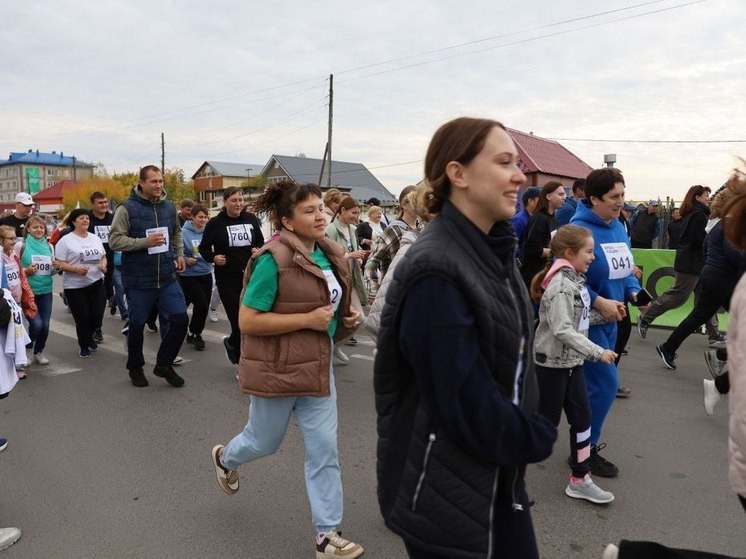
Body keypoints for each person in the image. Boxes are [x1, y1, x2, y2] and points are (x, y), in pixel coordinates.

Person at [375, 117, 557, 558]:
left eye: (517, 162)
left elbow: (508, 358)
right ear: (457, 174)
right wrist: (537, 435)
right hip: (442, 489)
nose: (519, 175)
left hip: (492, 471)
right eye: (503, 162)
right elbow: (461, 403)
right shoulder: (436, 268)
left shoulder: (494, 251)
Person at [210, 180, 364, 559]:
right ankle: (225, 458)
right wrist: (308, 320)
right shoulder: (272, 259)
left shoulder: (331, 253)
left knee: (325, 451)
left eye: (321, 209)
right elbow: (248, 321)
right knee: (264, 441)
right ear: (287, 222)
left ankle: (327, 536)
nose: (320, 215)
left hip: (318, 367)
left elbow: (332, 304)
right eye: (309, 211)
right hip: (277, 370)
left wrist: (347, 318)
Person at [531, 225, 617, 504]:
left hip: (572, 365)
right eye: (589, 251)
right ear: (569, 253)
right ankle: (498, 469)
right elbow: (562, 329)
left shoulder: (576, 282)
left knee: (583, 420)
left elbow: (577, 321)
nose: (593, 257)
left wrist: (606, 315)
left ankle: (580, 478)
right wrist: (598, 351)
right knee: (542, 428)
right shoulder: (559, 286)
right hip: (551, 367)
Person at [570, 167, 642, 478]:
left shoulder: (618, 226)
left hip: (613, 320)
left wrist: (635, 291)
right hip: (586, 322)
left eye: (623, 195)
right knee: (606, 384)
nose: (620, 201)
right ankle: (584, 453)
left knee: (590, 389)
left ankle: (581, 446)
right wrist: (599, 300)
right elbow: (566, 276)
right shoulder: (575, 231)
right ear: (593, 199)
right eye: (614, 197)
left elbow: (623, 269)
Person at [109, 165, 187, 388]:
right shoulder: (127, 208)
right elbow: (115, 241)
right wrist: (145, 242)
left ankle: (163, 364)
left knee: (180, 319)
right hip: (139, 280)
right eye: (154, 181)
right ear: (141, 183)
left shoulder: (169, 207)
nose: (159, 185)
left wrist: (179, 253)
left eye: (161, 181)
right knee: (137, 325)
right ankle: (135, 367)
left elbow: (176, 233)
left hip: (167, 277)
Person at [655, 188, 744, 371]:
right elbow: (733, 254)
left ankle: (672, 348)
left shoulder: (716, 224)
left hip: (715, 276)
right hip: (722, 279)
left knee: (701, 316)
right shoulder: (728, 225)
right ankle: (717, 356)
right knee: (702, 316)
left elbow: (705, 248)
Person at [637, 186, 721, 342]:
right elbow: (698, 240)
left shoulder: (695, 213)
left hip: (696, 262)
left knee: (706, 298)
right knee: (678, 296)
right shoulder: (699, 215)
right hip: (691, 263)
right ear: (696, 197)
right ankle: (646, 316)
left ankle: (714, 334)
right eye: (705, 196)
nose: (707, 198)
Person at [199, 186, 264, 366]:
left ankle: (232, 344)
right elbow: (203, 248)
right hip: (227, 279)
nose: (238, 204)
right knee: (238, 321)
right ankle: (243, 364)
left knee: (247, 321)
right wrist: (213, 257)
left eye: (241, 200)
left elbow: (260, 240)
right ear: (225, 202)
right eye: (234, 200)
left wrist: (258, 249)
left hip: (250, 277)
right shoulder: (215, 224)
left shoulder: (251, 219)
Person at [53, 210, 107, 358]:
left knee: (97, 316)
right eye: (81, 218)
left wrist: (103, 264)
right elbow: (59, 263)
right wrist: (75, 269)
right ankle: (84, 345)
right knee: (82, 318)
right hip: (75, 286)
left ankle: (89, 336)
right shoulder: (65, 240)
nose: (85, 220)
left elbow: (103, 256)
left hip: (96, 282)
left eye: (87, 218)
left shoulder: (94, 238)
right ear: (73, 221)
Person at [325, 195, 368, 355]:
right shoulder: (331, 230)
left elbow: (352, 253)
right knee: (336, 317)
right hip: (338, 280)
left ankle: (334, 346)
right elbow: (329, 258)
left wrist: (358, 258)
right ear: (342, 210)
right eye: (353, 212)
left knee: (360, 318)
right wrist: (350, 255)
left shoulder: (353, 229)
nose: (356, 216)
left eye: (357, 213)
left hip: (351, 280)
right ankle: (331, 347)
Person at [364, 185, 418, 297]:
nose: (420, 205)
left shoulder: (422, 227)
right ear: (404, 205)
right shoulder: (394, 229)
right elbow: (371, 262)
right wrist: (374, 293)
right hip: (396, 293)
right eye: (415, 201)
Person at [15, 215, 55, 365]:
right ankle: (28, 347)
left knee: (45, 325)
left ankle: (39, 351)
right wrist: (26, 271)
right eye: (35, 227)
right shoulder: (21, 246)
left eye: (41, 227)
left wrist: (55, 268)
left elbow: (50, 270)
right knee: (36, 324)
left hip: (46, 290)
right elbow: (13, 268)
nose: (39, 230)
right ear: (28, 230)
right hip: (28, 292)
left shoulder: (49, 246)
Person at [519, 181, 566, 289]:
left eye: (564, 194)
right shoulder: (539, 218)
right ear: (548, 196)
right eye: (560, 194)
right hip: (532, 278)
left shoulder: (553, 217)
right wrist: (558, 252)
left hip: (544, 274)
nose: (564, 197)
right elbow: (533, 250)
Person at [179, 204, 212, 351]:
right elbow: (175, 251)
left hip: (206, 273)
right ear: (192, 217)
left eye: (205, 217)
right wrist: (185, 259)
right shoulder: (182, 233)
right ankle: (192, 332)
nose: (203, 220)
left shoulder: (209, 232)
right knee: (201, 304)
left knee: (202, 308)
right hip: (189, 275)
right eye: (200, 217)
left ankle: (194, 332)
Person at [88, 191, 115, 337]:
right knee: (96, 298)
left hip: (111, 262)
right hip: (92, 263)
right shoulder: (87, 219)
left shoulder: (112, 218)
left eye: (105, 202)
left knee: (105, 295)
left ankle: (96, 325)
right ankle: (96, 328)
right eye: (100, 202)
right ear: (93, 204)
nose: (104, 205)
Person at [510, 186, 541, 262]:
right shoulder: (519, 220)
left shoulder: (535, 218)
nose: (543, 203)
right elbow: (511, 247)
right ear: (530, 201)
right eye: (540, 200)